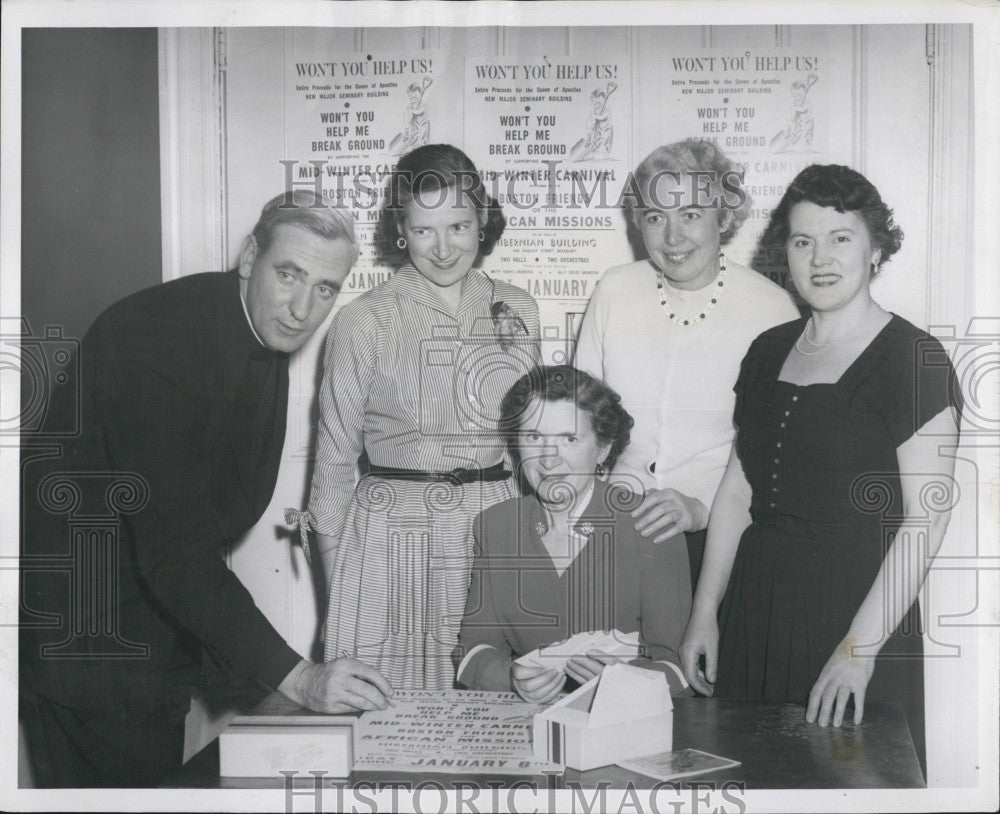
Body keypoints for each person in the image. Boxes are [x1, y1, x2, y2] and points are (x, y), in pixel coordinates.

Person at [19, 190, 394, 788]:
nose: (302, 308)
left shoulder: (252, 328)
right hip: (89, 646)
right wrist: (299, 678)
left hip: (151, 633)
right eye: (289, 274)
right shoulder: (159, 342)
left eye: (325, 288)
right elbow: (176, 552)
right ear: (250, 256)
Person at [679, 164, 963, 778]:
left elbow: (926, 521)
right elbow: (736, 492)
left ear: (876, 246)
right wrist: (705, 614)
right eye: (803, 241)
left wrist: (858, 652)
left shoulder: (914, 359)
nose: (820, 258)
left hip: (856, 615)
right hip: (756, 610)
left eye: (841, 237)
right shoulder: (767, 351)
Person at [306, 144, 540, 690]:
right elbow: (335, 464)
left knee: (501, 715)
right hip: (391, 541)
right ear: (399, 232)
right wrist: (339, 595)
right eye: (423, 229)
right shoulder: (364, 321)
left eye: (458, 225)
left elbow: (533, 446)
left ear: (483, 221)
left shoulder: (518, 307)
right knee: (393, 726)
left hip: (494, 530)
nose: (442, 248)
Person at [575, 139, 799, 587]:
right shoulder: (614, 290)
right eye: (656, 217)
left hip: (723, 543)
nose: (673, 238)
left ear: (726, 217)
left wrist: (700, 510)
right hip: (614, 533)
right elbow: (581, 422)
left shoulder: (773, 310)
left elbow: (783, 461)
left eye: (691, 215)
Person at [454, 365, 692, 701]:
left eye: (569, 439)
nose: (548, 460)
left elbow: (679, 669)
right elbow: (473, 652)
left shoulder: (650, 524)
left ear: (603, 449)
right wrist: (511, 679)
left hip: (625, 723)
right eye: (534, 437)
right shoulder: (496, 525)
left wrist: (626, 682)